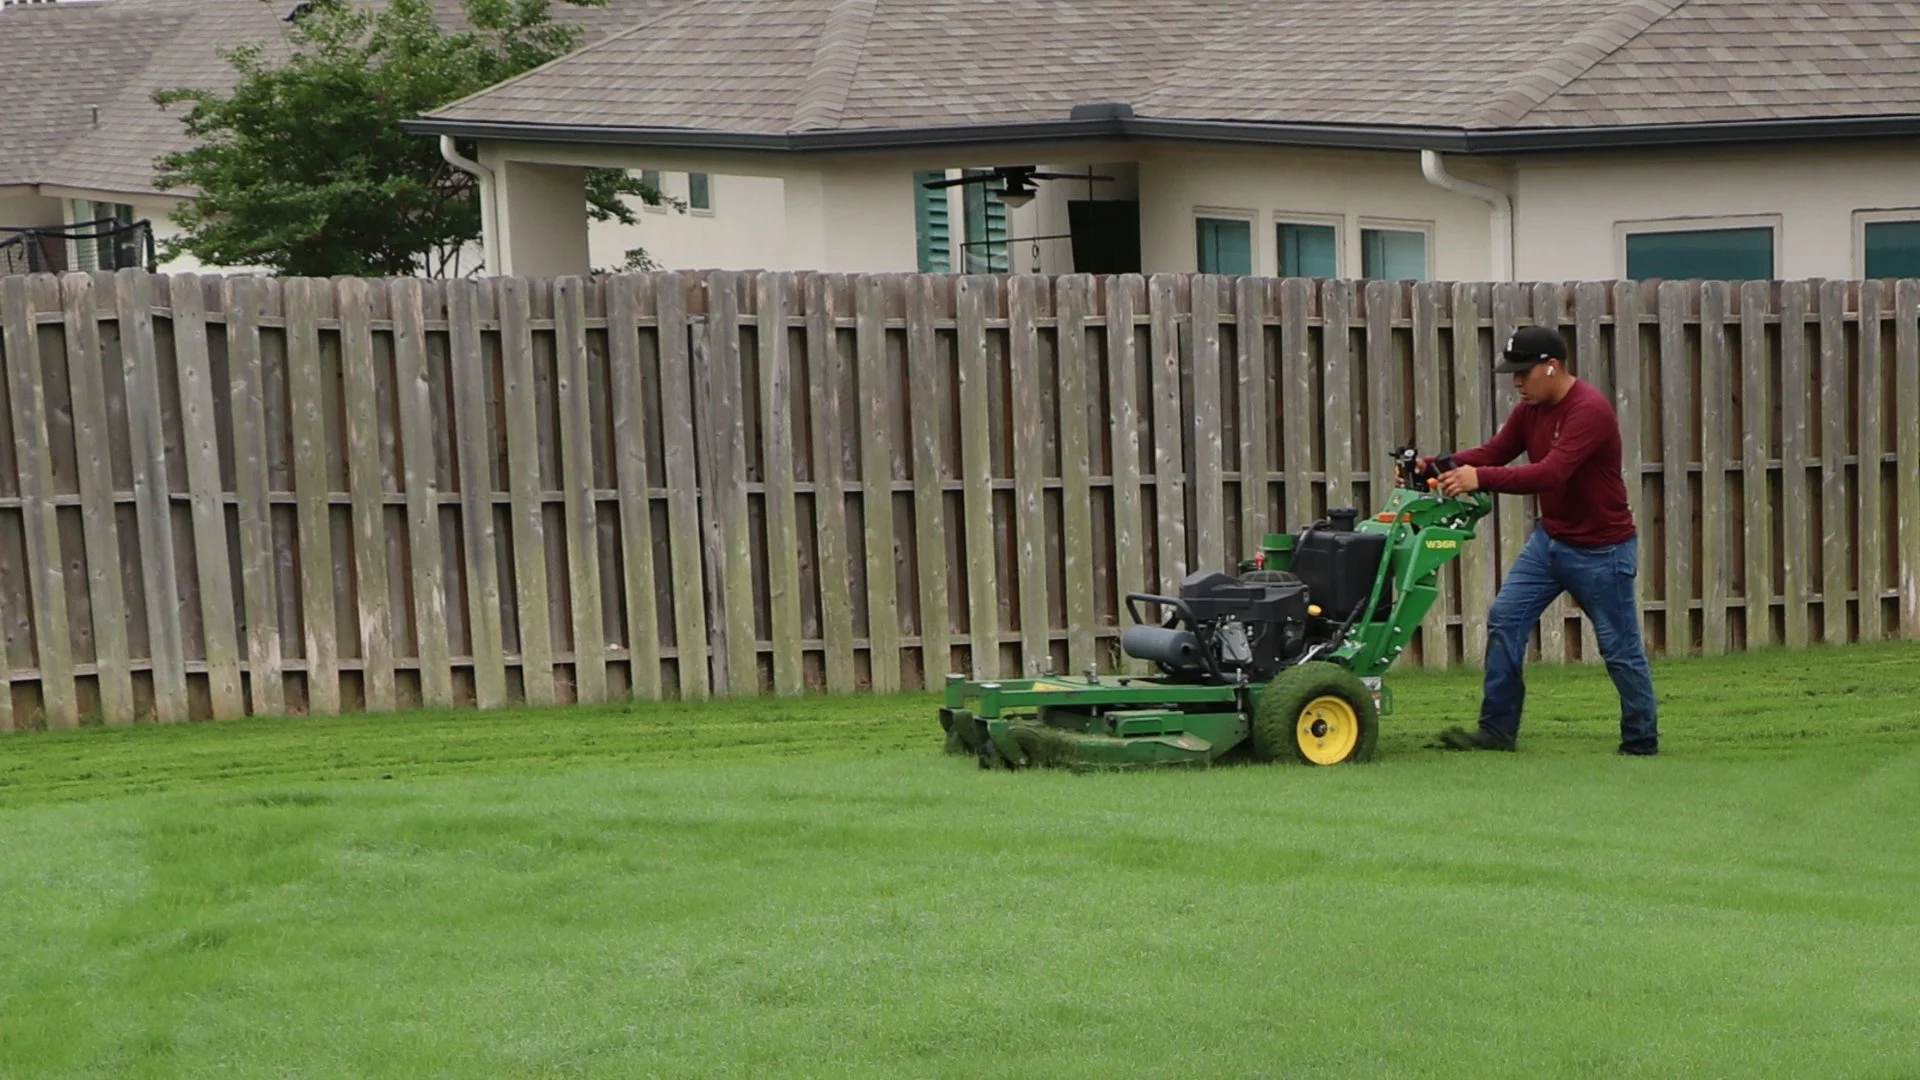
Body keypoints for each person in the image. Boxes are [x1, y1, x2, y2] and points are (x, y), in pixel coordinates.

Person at [1430, 325, 1660, 756]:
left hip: (1602, 550)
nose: (1516, 382)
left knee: (1619, 649)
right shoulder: (1530, 409)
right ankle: (1496, 731)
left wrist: (1478, 479)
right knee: (1505, 617)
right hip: (1550, 541)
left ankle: (1641, 739)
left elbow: (1551, 472)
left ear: (1552, 367)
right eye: (1512, 374)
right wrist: (1435, 465)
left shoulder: (1588, 410)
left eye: (1523, 373)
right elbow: (1495, 452)